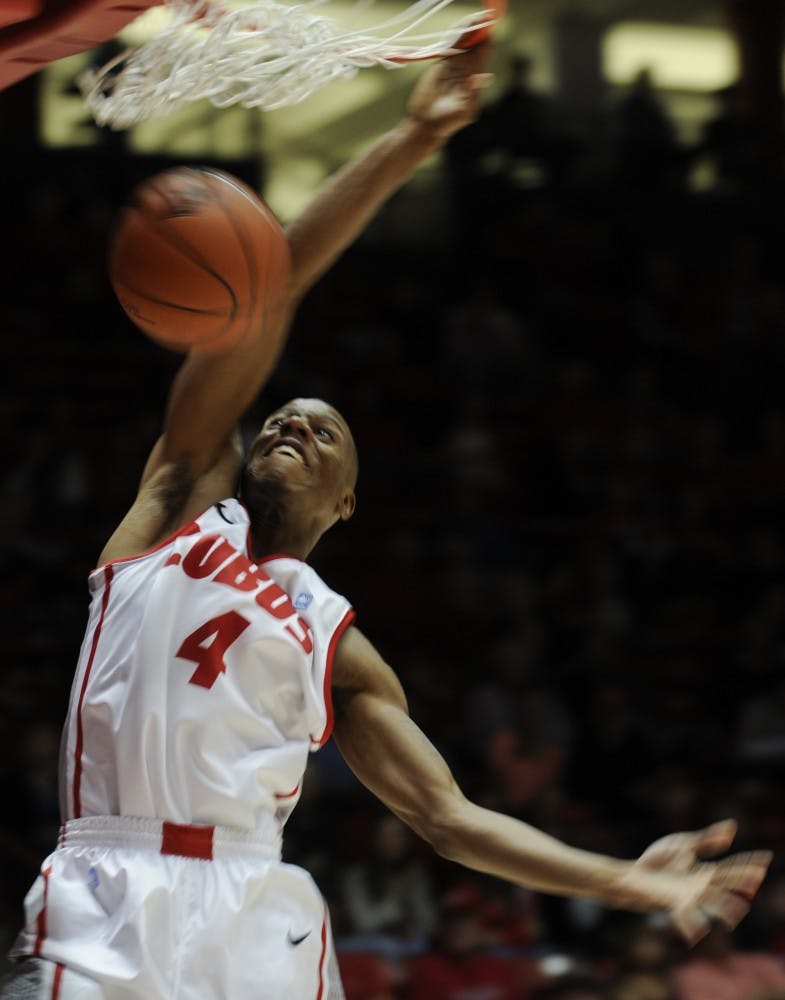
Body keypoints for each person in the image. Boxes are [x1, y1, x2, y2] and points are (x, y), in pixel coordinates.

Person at [0, 48, 772, 1000]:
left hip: (253, 910)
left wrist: (626, 880)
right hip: (106, 890)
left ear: (346, 502)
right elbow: (265, 293)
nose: (290, 422)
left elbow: (447, 817)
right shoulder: (175, 509)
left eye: (323, 431)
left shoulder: (334, 641)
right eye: (283, 416)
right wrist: (412, 138)